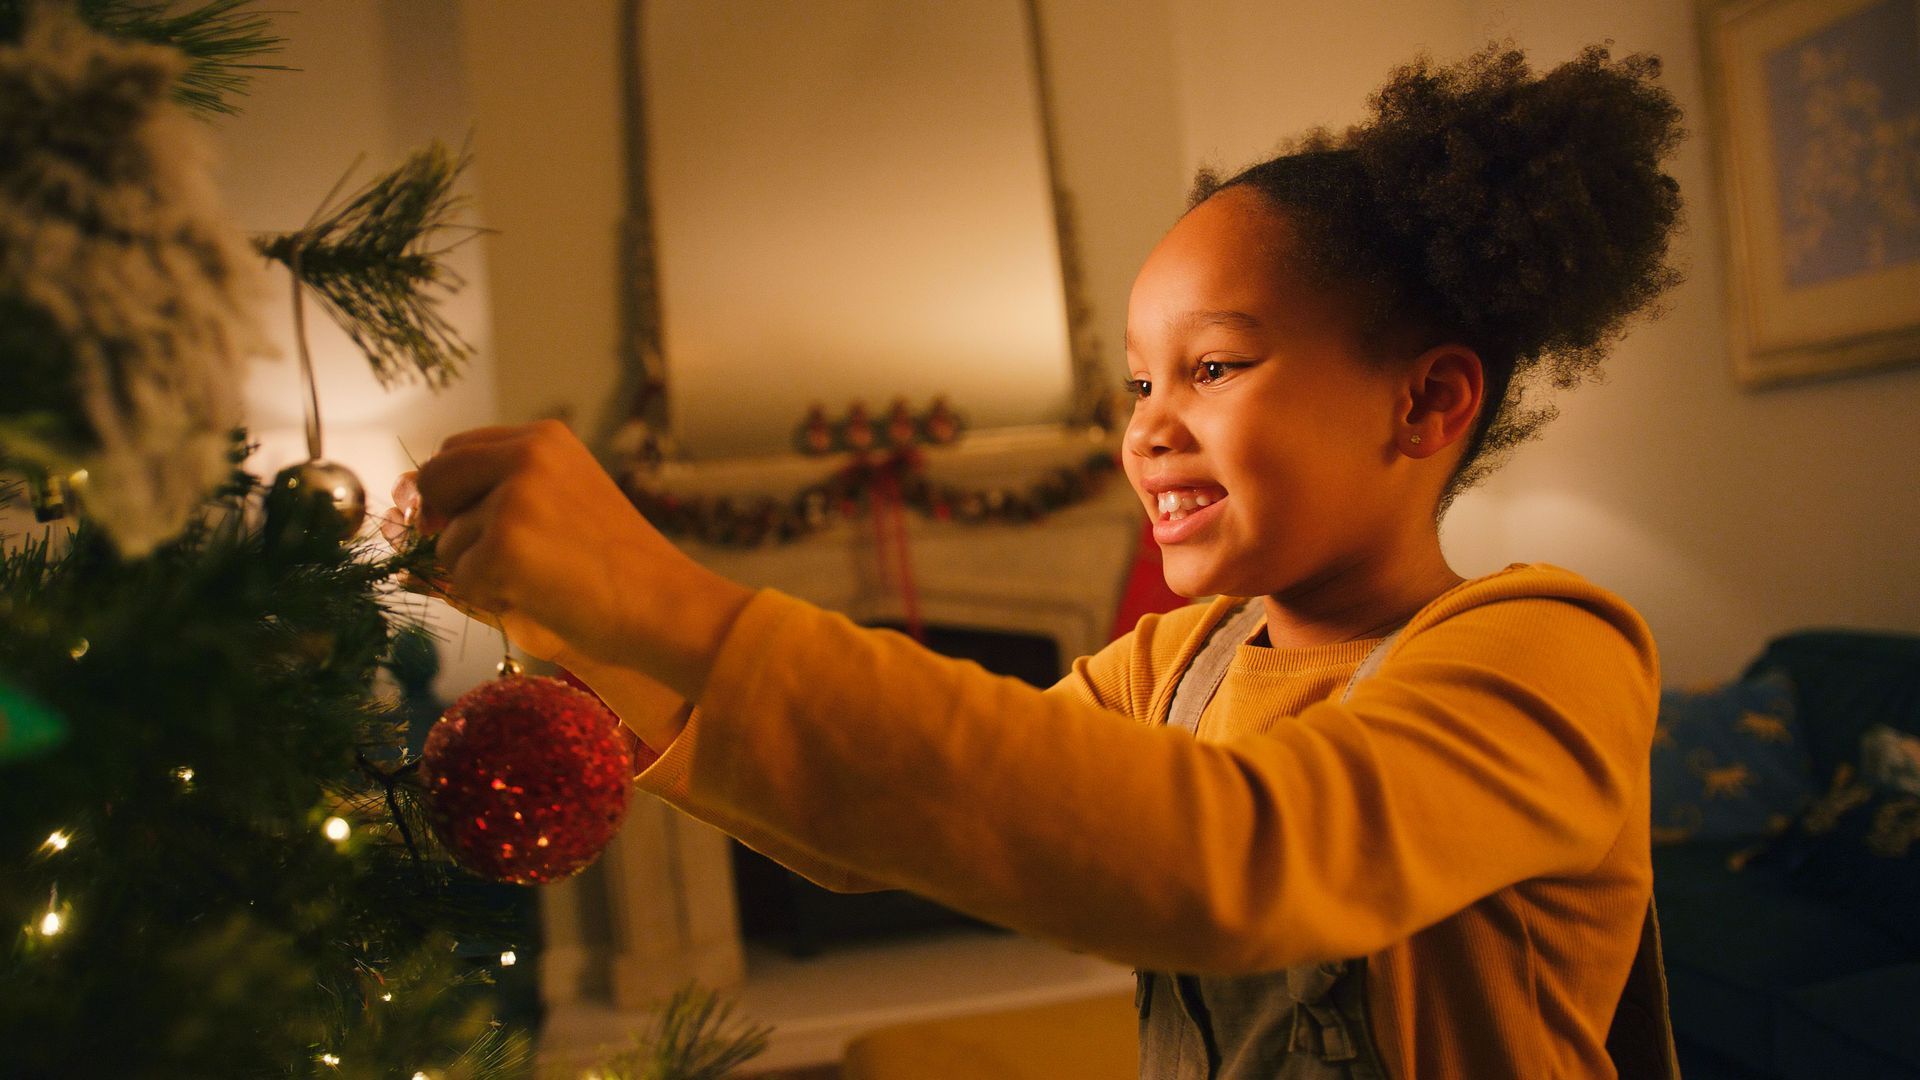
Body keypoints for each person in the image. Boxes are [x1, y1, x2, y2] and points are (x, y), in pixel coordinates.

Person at [407, 42, 1684, 1080]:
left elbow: (1245, 864)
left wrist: (661, 587)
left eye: (1215, 366)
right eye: (1137, 381)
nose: (1147, 427)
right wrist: (574, 622)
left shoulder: (1548, 652)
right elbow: (900, 809)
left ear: (1425, 405)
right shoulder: (1179, 662)